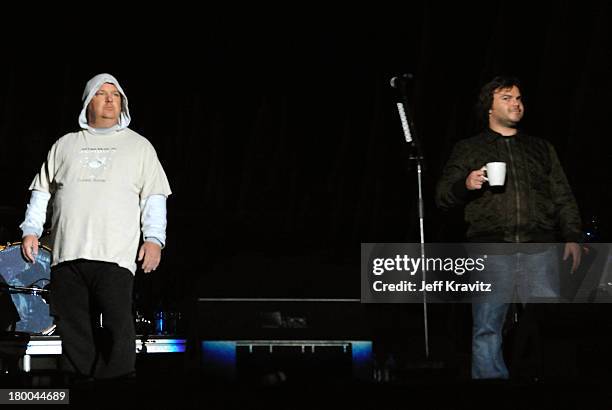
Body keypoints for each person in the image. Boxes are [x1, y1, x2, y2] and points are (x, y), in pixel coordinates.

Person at [19, 73, 171, 382]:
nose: (110, 99)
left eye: (115, 94)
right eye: (102, 93)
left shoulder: (139, 147)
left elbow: (154, 197)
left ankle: (116, 387)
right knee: (74, 328)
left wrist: (154, 239)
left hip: (114, 255)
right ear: (89, 102)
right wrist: (30, 230)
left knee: (118, 325)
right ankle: (79, 388)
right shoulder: (65, 145)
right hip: (68, 255)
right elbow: (41, 192)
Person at [435, 75, 582, 380]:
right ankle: (491, 386)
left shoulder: (541, 148)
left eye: (518, 98)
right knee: (488, 325)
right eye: (507, 98)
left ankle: (543, 382)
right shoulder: (469, 148)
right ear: (488, 107)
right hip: (492, 248)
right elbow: (442, 197)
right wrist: (466, 184)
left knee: (545, 324)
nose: (516, 104)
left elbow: (562, 194)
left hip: (539, 246)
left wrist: (572, 236)